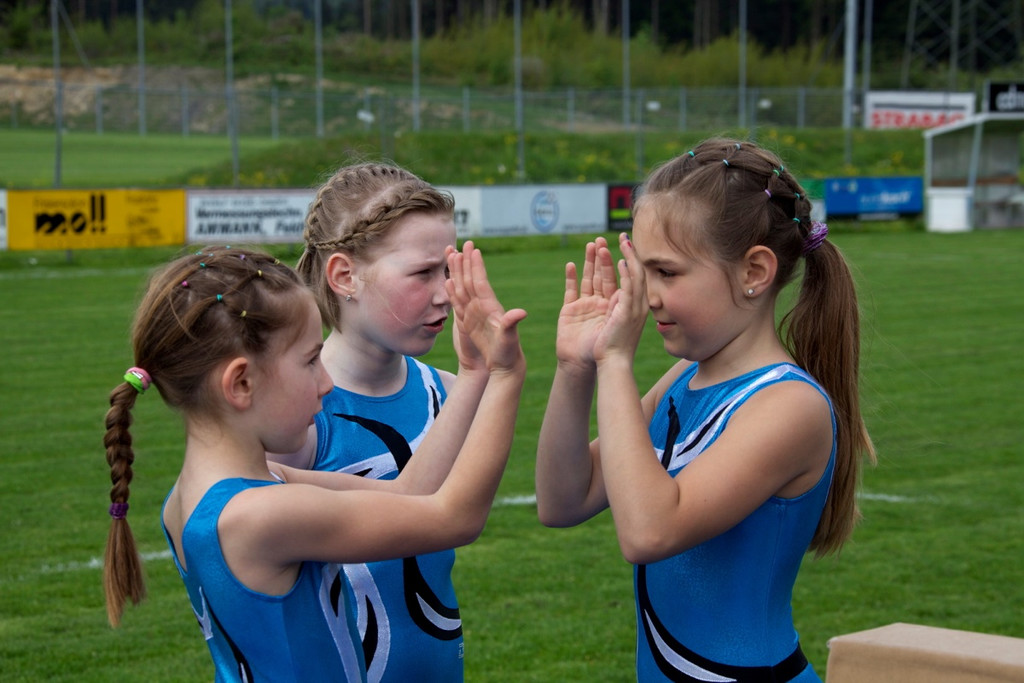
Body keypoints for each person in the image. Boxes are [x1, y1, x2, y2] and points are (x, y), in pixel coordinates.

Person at [103, 243, 526, 682]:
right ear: (241, 383)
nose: (326, 383)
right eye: (310, 361)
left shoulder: (205, 495)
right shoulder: (262, 514)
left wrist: (473, 373)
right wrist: (505, 374)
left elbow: (409, 494)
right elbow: (454, 518)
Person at [535, 138, 875, 682]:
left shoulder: (790, 405)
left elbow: (648, 533)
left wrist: (615, 362)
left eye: (667, 273)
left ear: (754, 272)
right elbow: (562, 501)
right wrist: (576, 369)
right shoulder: (684, 377)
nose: (647, 296)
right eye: (642, 272)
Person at [266, 162, 477, 682]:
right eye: (423, 273)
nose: (446, 293)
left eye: (449, 270)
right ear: (345, 277)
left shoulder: (451, 393)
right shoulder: (297, 421)